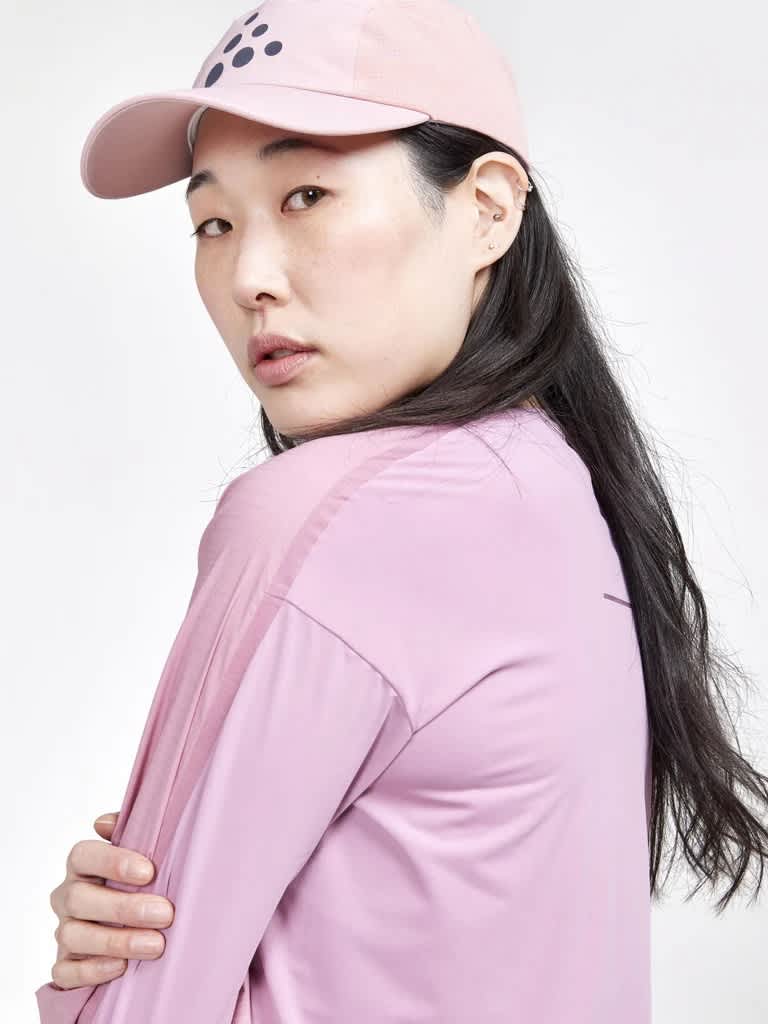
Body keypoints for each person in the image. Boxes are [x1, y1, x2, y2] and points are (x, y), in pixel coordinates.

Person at [36, 1, 768, 1022]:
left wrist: (89, 982)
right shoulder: (555, 486)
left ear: (488, 210)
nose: (247, 277)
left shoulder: (331, 516)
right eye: (213, 223)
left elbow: (137, 1008)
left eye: (306, 195)